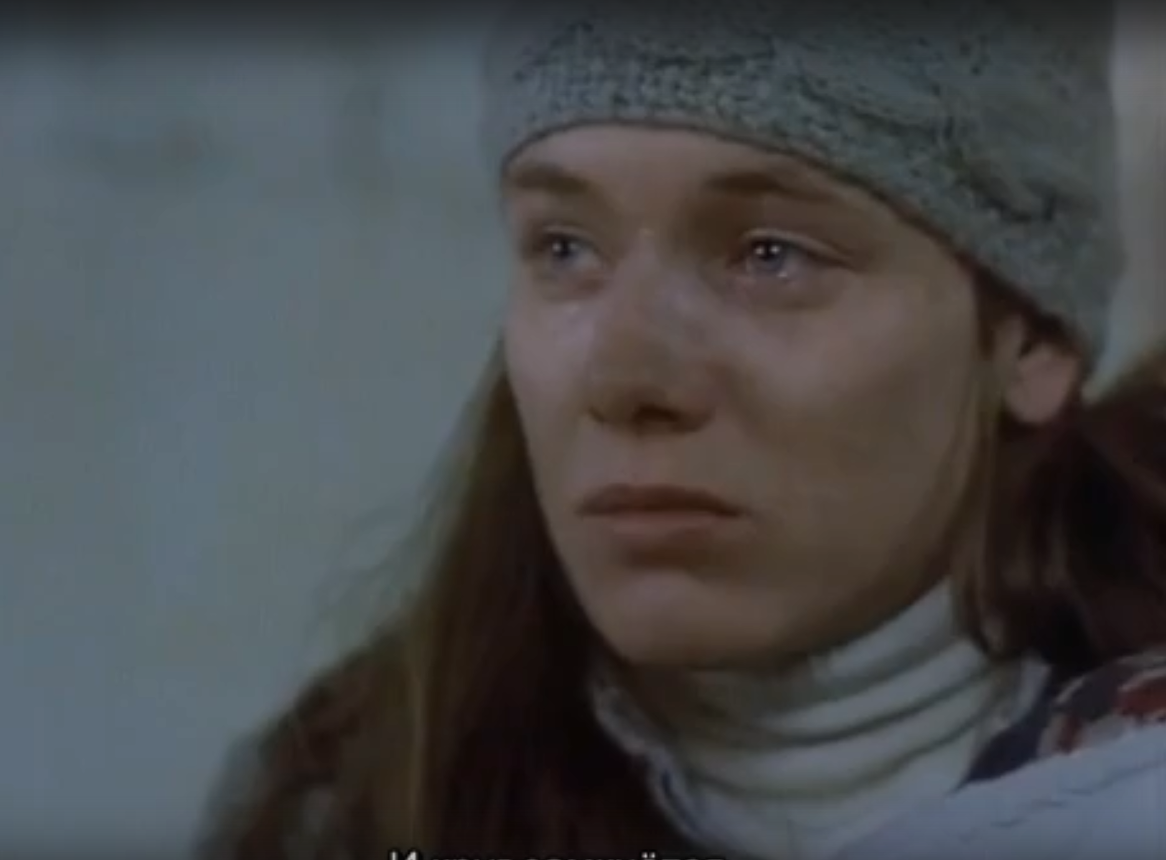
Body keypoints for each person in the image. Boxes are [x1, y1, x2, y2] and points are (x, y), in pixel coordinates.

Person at [197, 3, 1166, 859]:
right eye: (564, 248)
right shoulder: (343, 812)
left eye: (771, 254)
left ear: (1030, 337)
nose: (625, 378)